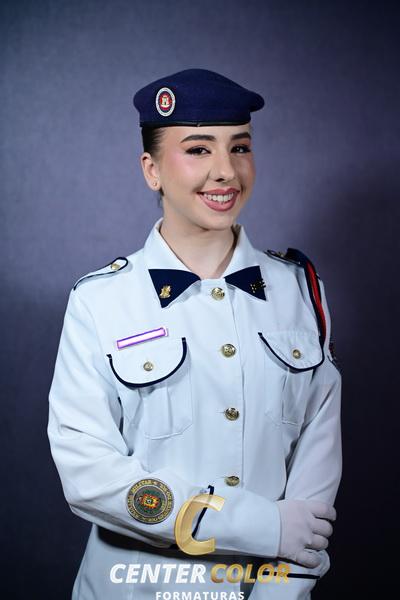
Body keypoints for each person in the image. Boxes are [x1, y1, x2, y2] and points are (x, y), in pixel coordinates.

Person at [48, 68, 342, 599]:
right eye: (199, 150)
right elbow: (90, 476)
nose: (226, 171)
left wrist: (282, 592)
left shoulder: (301, 290)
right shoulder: (100, 301)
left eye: (240, 147)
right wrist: (261, 526)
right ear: (152, 170)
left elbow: (315, 473)